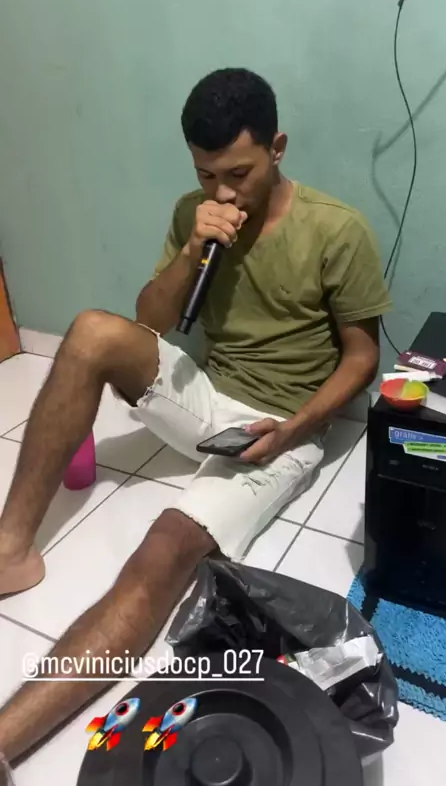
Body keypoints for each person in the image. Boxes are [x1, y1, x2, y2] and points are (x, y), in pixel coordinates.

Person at [0, 68, 391, 761]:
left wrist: (294, 430)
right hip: (212, 395)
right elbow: (151, 321)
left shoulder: (337, 229)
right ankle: (10, 550)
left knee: (166, 548)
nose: (223, 192)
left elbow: (362, 359)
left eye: (238, 173)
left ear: (277, 148)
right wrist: (190, 250)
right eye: (207, 175)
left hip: (281, 424)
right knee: (91, 331)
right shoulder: (194, 213)